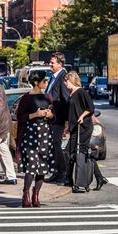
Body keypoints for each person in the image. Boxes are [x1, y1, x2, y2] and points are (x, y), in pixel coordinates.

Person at [16, 71, 56, 208]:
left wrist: (50, 115)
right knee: (32, 165)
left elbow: (54, 116)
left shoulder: (48, 97)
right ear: (36, 82)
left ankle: (36, 194)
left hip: (45, 134)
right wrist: (35, 114)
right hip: (30, 135)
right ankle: (25, 194)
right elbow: (19, 117)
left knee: (43, 167)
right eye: (44, 80)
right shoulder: (26, 98)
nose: (46, 82)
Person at [64, 71, 108, 191]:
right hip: (75, 128)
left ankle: (72, 180)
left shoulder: (81, 92)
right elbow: (72, 111)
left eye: (66, 80)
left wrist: (82, 116)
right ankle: (99, 178)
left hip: (83, 127)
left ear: (72, 80)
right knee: (77, 153)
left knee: (76, 153)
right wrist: (68, 126)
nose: (65, 83)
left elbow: (90, 107)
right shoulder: (71, 93)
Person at [44, 52, 70, 186]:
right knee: (53, 146)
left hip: (59, 119)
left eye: (52, 62)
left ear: (60, 64)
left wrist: (66, 121)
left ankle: (63, 173)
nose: (50, 64)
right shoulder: (53, 77)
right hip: (52, 118)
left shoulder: (63, 76)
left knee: (57, 145)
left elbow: (66, 100)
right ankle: (56, 172)